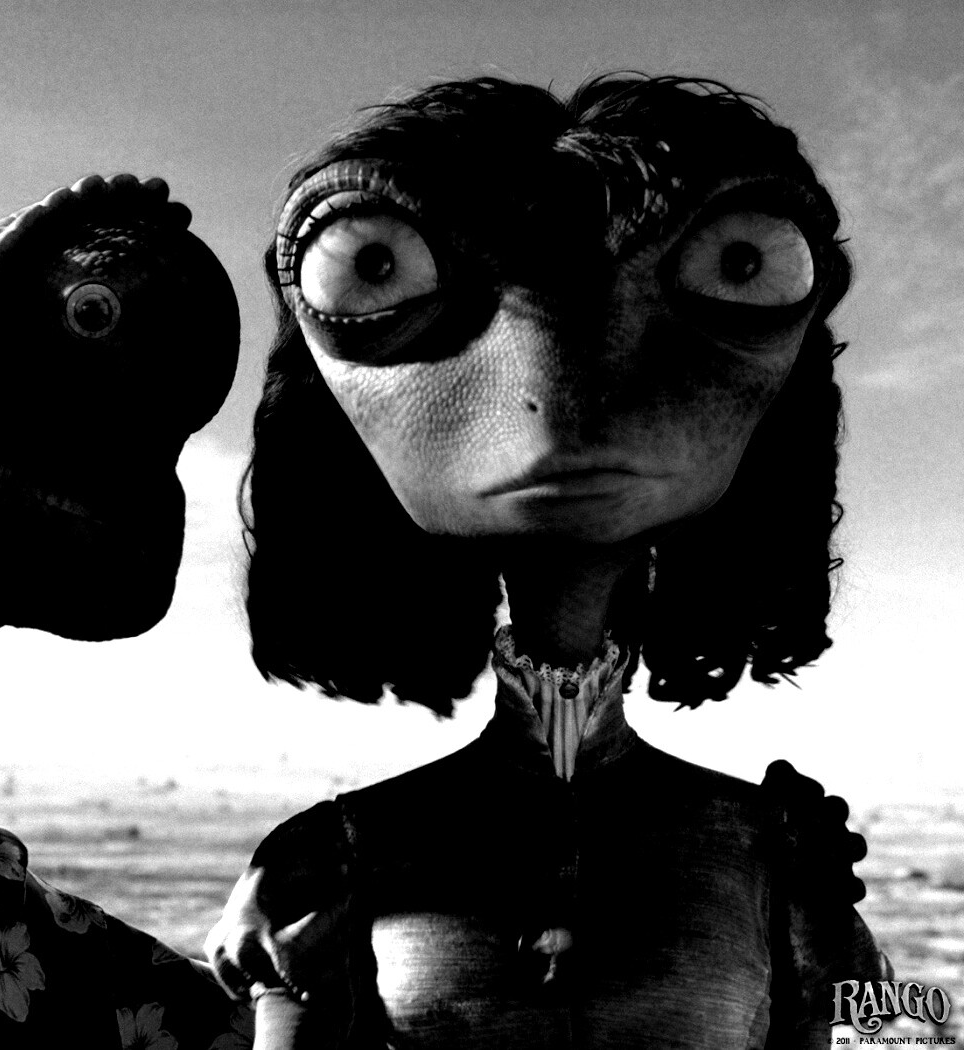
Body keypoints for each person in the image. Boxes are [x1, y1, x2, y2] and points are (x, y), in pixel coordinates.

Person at [206, 73, 886, 1049]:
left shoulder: (771, 854)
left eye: (739, 263)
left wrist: (828, 941)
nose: (555, 399)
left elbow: (877, 1029)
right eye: (374, 268)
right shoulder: (332, 859)